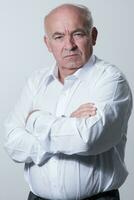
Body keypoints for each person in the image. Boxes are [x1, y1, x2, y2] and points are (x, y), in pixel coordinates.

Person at [4, 3, 133, 200]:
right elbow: (12, 143)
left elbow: (87, 139)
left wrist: (35, 120)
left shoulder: (111, 79)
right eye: (59, 37)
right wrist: (68, 123)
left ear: (94, 36)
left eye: (78, 34)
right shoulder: (36, 82)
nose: (69, 45)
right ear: (47, 43)